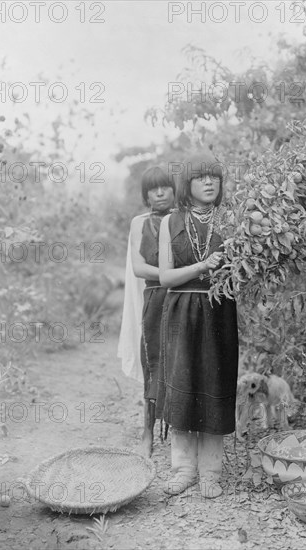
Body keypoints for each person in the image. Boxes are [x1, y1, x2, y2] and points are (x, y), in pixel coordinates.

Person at [156, 153, 239, 499]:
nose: (209, 182)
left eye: (215, 177)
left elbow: (243, 273)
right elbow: (165, 278)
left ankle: (211, 473)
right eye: (201, 177)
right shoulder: (170, 222)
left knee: (214, 384)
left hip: (219, 310)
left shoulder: (233, 219)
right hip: (180, 310)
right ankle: (183, 470)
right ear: (187, 184)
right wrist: (203, 266)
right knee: (182, 386)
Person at [129, 166, 175, 457]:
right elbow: (139, 267)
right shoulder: (140, 222)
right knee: (154, 361)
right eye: (153, 189)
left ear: (174, 190)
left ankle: (181, 436)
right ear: (146, 194)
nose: (159, 193)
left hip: (182, 297)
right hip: (156, 297)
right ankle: (147, 434)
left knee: (180, 362)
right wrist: (171, 274)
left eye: (165, 187)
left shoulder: (182, 218)